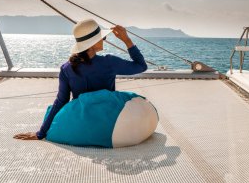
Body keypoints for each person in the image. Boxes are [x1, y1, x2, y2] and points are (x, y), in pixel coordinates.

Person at [13, 19, 148, 140]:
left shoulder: (66, 68)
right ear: (92, 43)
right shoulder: (109, 62)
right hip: (107, 121)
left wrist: (41, 133)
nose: (104, 40)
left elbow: (61, 101)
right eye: (102, 38)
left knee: (52, 110)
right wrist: (127, 40)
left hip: (80, 121)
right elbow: (141, 66)